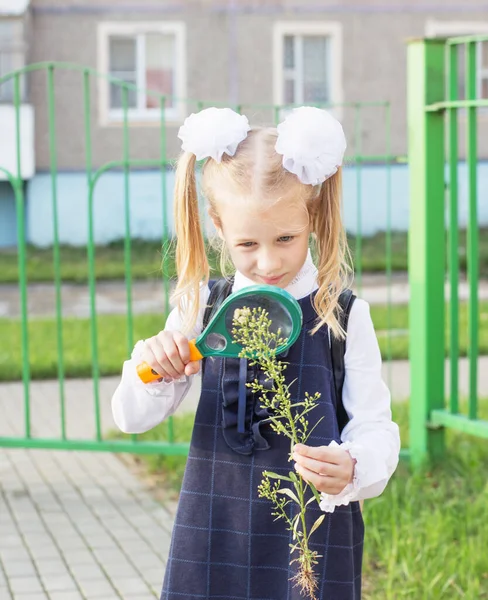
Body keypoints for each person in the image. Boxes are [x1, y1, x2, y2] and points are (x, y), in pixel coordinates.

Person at [112, 106, 400, 600]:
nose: (268, 262)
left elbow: (376, 426)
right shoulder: (201, 308)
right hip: (214, 524)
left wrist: (355, 466)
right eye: (247, 243)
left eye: (285, 238)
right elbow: (130, 418)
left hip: (312, 530)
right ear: (219, 227)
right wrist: (151, 369)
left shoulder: (346, 316)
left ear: (313, 216)